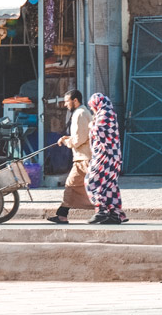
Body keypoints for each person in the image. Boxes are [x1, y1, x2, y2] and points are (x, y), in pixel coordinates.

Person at [47, 89, 92, 224]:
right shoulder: (81, 112)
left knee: (73, 185)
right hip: (82, 156)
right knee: (75, 186)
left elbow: (79, 140)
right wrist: (67, 138)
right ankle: (62, 214)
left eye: (67, 101)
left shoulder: (80, 114)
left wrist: (66, 141)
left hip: (83, 157)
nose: (65, 104)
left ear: (75, 101)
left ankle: (63, 214)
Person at [84, 93, 126, 225]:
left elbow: (100, 131)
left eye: (92, 106)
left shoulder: (105, 114)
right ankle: (114, 213)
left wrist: (91, 126)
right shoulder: (110, 113)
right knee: (109, 184)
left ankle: (100, 210)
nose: (92, 109)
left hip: (105, 154)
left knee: (91, 180)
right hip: (113, 155)